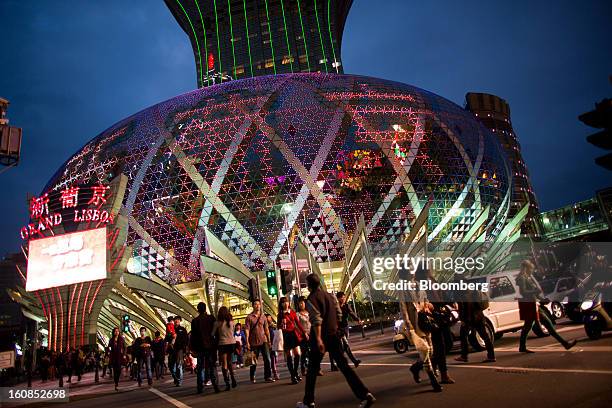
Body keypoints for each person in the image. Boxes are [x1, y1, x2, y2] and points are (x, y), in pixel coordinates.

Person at [297, 274, 376, 408]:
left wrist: (318, 339)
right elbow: (339, 314)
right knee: (345, 367)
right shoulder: (330, 296)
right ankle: (365, 394)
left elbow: (316, 320)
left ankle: (308, 401)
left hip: (321, 337)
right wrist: (336, 328)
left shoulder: (311, 299)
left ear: (309, 285)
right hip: (333, 336)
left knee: (312, 370)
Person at [517, 260, 577, 353]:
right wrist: (535, 292)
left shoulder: (527, 277)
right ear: (526, 268)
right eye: (531, 269)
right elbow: (523, 292)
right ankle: (565, 344)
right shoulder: (522, 278)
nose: (532, 271)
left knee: (539, 325)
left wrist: (541, 299)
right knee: (532, 326)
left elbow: (534, 292)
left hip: (534, 304)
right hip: (529, 305)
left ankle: (565, 343)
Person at [455, 288, 496, 363]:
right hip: (479, 316)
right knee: (485, 336)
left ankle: (464, 356)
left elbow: (464, 307)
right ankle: (491, 356)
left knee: (463, 336)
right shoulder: (473, 291)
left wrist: (462, 319)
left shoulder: (461, 294)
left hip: (469, 319)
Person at [190, 303, 219, 393]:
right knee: (212, 366)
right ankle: (215, 385)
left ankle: (200, 387)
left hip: (200, 348)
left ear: (198, 309)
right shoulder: (211, 318)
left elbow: (193, 337)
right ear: (205, 309)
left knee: (200, 367)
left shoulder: (195, 321)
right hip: (210, 347)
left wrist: (192, 349)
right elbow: (216, 332)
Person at [278, 296, 306, 384]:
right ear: (281, 304)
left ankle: (294, 373)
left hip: (293, 334)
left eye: (286, 302)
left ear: (289, 303)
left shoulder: (292, 312)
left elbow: (298, 323)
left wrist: (304, 332)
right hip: (285, 335)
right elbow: (278, 326)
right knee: (289, 356)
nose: (285, 304)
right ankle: (293, 376)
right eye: (283, 302)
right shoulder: (280, 315)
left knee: (297, 354)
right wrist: (281, 324)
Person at [244, 299, 273, 383]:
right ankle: (252, 376)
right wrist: (247, 342)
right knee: (253, 361)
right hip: (253, 342)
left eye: (258, 304)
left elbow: (266, 329)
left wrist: (269, 340)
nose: (257, 306)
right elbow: (247, 330)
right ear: (253, 306)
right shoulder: (249, 317)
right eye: (255, 304)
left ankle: (268, 376)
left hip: (264, 340)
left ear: (260, 305)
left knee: (267, 359)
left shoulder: (263, 316)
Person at [330, 292, 361, 371]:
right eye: (341, 297)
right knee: (345, 345)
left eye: (343, 297)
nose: (343, 299)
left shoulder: (347, 306)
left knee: (340, 347)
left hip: (345, 328)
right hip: (338, 329)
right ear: (337, 298)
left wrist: (357, 320)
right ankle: (353, 361)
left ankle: (333, 364)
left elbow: (351, 313)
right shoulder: (335, 307)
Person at [213, 306, 238, 391]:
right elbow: (233, 332)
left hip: (222, 344)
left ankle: (227, 383)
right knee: (230, 362)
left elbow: (212, 334)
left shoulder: (217, 323)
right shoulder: (232, 322)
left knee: (224, 364)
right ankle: (233, 379)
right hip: (232, 343)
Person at [169, 315, 189, 386]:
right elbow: (167, 338)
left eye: (178, 320)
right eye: (175, 319)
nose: (176, 321)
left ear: (180, 321)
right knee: (171, 366)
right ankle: (176, 378)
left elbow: (186, 340)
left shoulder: (182, 329)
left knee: (178, 365)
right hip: (172, 349)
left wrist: (185, 350)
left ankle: (179, 381)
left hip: (180, 349)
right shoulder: (171, 329)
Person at [297, 296, 311, 377]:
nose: (301, 304)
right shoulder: (297, 314)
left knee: (312, 352)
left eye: (302, 303)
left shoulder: (309, 312)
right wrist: (304, 333)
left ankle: (313, 367)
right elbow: (297, 326)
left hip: (311, 334)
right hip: (303, 336)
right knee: (304, 352)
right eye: (300, 303)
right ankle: (303, 368)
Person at [109, 327, 126, 391]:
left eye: (118, 331)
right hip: (113, 357)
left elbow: (125, 347)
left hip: (120, 356)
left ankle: (117, 381)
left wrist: (124, 354)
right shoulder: (111, 340)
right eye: (115, 331)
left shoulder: (121, 339)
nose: (117, 332)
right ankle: (116, 383)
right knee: (115, 370)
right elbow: (109, 347)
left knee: (118, 370)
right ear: (113, 332)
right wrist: (109, 353)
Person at [267, 313, 281, 381]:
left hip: (275, 343)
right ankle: (275, 373)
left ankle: (274, 372)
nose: (269, 319)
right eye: (268, 318)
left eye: (270, 317)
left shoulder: (273, 325)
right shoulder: (266, 327)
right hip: (269, 344)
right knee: (272, 358)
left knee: (275, 358)